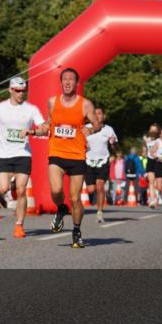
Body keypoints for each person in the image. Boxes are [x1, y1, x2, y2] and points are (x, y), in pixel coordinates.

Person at [33, 67, 98, 249]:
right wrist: (38, 129)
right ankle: (61, 208)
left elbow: (97, 123)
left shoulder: (85, 104)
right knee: (56, 190)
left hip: (77, 156)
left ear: (77, 83)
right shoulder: (53, 102)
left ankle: (76, 231)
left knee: (75, 198)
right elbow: (48, 123)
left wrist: (91, 129)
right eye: (64, 79)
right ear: (61, 82)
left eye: (71, 80)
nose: (68, 82)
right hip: (57, 153)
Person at [0, 76, 43, 238]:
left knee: (22, 190)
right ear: (10, 90)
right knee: (2, 189)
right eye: (18, 91)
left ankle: (19, 225)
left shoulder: (31, 109)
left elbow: (43, 128)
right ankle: (11, 187)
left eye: (23, 91)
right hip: (5, 155)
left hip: (23, 153)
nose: (21, 94)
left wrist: (32, 131)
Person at [84, 106, 118, 223]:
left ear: (104, 116)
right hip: (89, 161)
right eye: (95, 114)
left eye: (99, 114)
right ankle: (96, 201)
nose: (97, 116)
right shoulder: (86, 128)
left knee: (100, 186)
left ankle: (99, 212)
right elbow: (79, 143)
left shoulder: (109, 129)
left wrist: (113, 143)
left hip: (103, 160)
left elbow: (114, 147)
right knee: (90, 189)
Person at [143, 124, 161, 208]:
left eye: (154, 130)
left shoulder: (160, 140)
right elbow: (144, 152)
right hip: (150, 161)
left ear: (158, 131)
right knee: (151, 181)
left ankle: (159, 196)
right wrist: (144, 151)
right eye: (151, 130)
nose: (153, 132)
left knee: (157, 183)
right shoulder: (147, 140)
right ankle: (152, 200)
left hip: (158, 161)